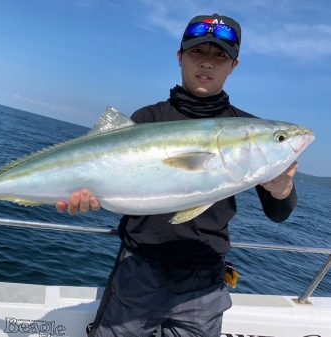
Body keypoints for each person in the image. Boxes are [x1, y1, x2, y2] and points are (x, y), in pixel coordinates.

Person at [56, 13, 298, 337]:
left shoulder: (248, 130)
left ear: (233, 66)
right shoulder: (148, 118)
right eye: (198, 52)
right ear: (180, 57)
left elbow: (279, 211)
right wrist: (83, 196)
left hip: (205, 279)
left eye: (220, 56)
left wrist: (282, 187)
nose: (208, 64)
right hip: (139, 269)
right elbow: (107, 178)